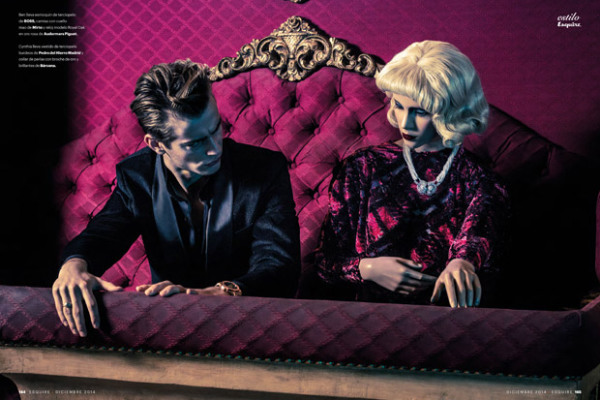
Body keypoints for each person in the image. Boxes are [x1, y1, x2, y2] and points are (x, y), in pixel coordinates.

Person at [52, 59, 301, 337]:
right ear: (156, 144)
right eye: (195, 143)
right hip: (167, 329)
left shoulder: (265, 170)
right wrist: (73, 266)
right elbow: (103, 234)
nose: (214, 149)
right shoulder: (137, 177)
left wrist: (222, 292)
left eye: (216, 129)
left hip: (251, 325)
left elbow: (280, 266)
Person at [315, 41, 510, 308]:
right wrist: (368, 269)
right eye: (398, 105)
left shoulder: (479, 180)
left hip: (446, 320)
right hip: (366, 317)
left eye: (419, 112)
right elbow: (326, 264)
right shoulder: (362, 168)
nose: (404, 122)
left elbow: (477, 242)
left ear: (450, 111)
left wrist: (462, 264)